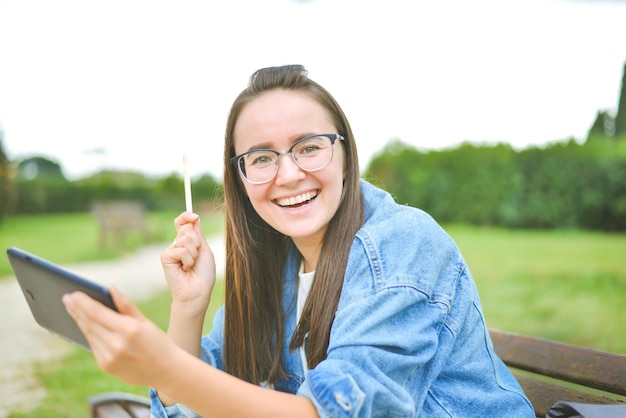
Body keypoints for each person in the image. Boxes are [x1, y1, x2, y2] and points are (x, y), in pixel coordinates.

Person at [64, 64, 534, 417]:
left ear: (345, 155)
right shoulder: (276, 267)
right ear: (241, 178)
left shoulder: (402, 245)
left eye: (309, 147)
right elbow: (190, 406)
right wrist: (188, 307)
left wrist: (165, 367)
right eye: (262, 157)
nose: (288, 175)